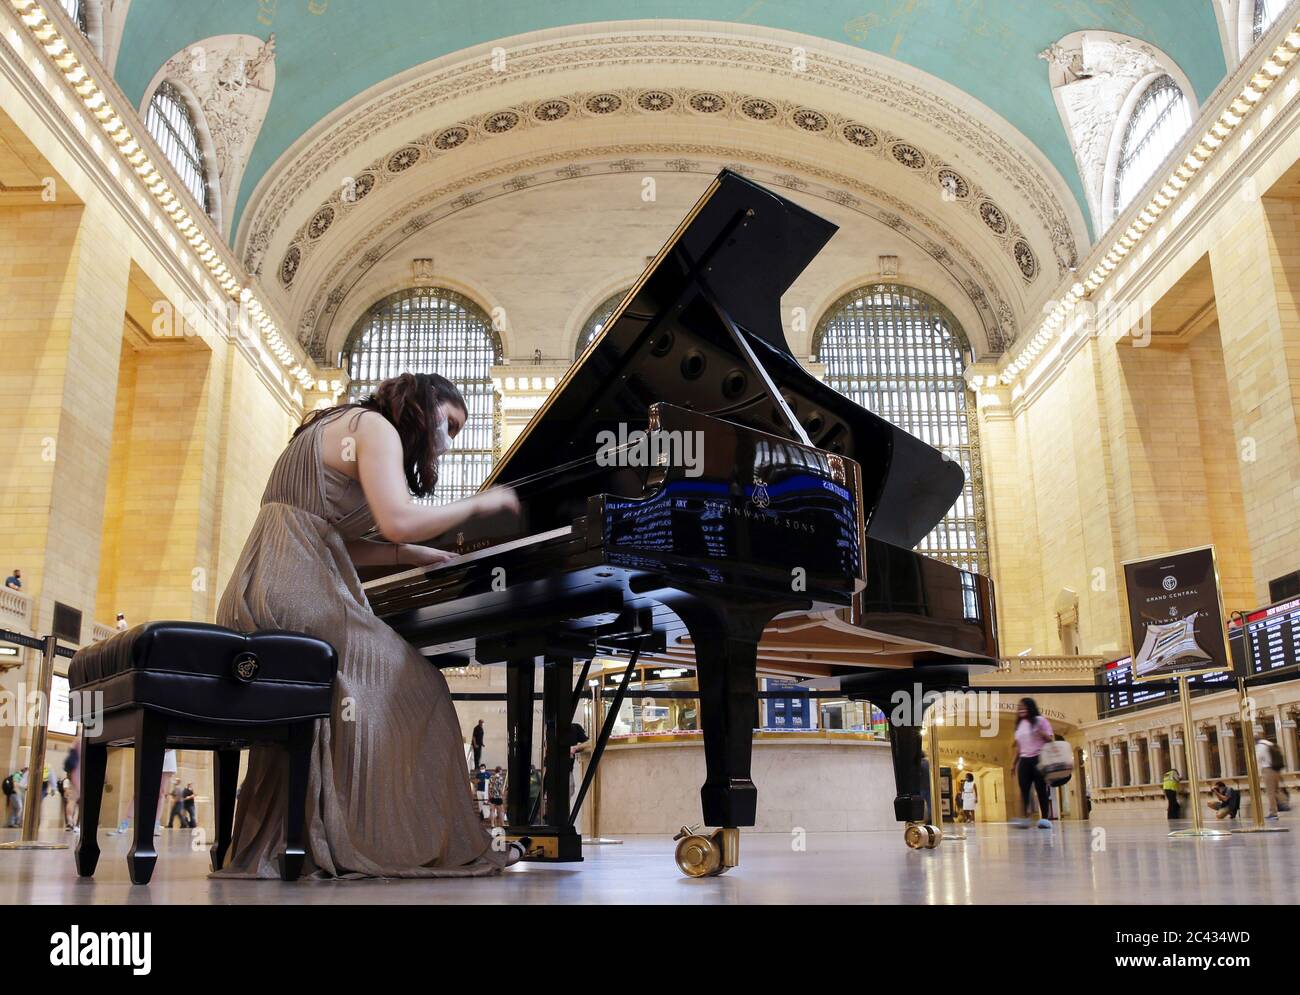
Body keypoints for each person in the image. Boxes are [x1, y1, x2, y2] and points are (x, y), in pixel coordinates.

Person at [214, 372, 521, 878]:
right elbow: (398, 518)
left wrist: (406, 553)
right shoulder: (374, 427)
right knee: (419, 687)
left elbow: (329, 535)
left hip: (259, 587)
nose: (446, 444)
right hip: (299, 591)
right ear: (424, 407)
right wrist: (482, 503)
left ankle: (324, 833)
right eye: (449, 425)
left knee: (355, 699)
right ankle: (401, 839)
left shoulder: (335, 424)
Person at [1011, 697, 1054, 829]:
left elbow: (1050, 739)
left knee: (1041, 789)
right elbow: (1019, 747)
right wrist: (1013, 764)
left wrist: (1040, 732)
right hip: (1024, 760)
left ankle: (1045, 818)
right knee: (1024, 789)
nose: (1021, 709)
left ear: (1030, 707)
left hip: (1039, 758)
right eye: (1019, 707)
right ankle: (1026, 817)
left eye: (1024, 707)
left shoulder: (1040, 721)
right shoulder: (1019, 725)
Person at [1255, 735, 1286, 820]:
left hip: (1268, 769)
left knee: (1270, 792)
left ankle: (1273, 813)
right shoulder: (1269, 744)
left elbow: (1256, 758)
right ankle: (1283, 804)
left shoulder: (1260, 746)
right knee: (1276, 790)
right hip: (1276, 769)